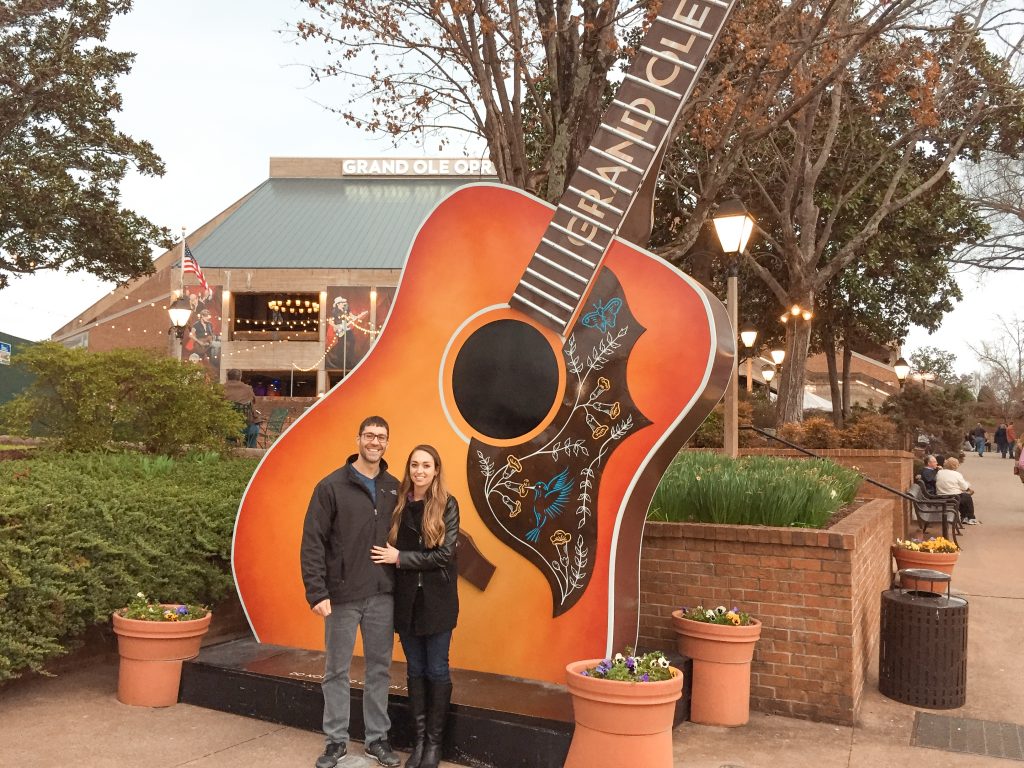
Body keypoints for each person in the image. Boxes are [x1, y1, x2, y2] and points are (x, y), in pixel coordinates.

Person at [300, 416, 401, 768]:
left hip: (381, 595)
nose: (375, 442)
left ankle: (376, 740)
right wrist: (316, 591)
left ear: (387, 443)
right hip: (341, 596)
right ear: (358, 438)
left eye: (381, 437)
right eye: (370, 436)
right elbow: (313, 541)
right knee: (336, 671)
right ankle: (336, 741)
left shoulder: (394, 487)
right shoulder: (331, 487)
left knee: (379, 670)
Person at [371, 445, 459, 768]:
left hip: (438, 603)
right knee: (414, 669)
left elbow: (443, 555)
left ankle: (435, 745)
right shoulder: (399, 504)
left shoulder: (448, 505)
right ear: (409, 470)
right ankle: (420, 742)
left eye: (426, 465)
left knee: (437, 668)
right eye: (415, 465)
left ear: (436, 470)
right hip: (407, 602)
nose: (420, 471)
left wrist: (401, 559)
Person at [223, 368, 261, 448]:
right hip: (247, 427)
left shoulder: (221, 388)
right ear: (240, 377)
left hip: (228, 426)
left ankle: (229, 447)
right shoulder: (247, 388)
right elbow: (254, 401)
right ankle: (250, 450)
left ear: (227, 377)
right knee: (254, 427)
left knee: (228, 429)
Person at [935, 456, 978, 524]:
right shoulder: (957, 474)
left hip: (940, 496)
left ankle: (965, 517)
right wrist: (967, 484)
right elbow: (964, 487)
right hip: (952, 497)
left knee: (963, 497)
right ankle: (970, 518)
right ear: (955, 466)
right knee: (967, 498)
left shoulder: (940, 472)